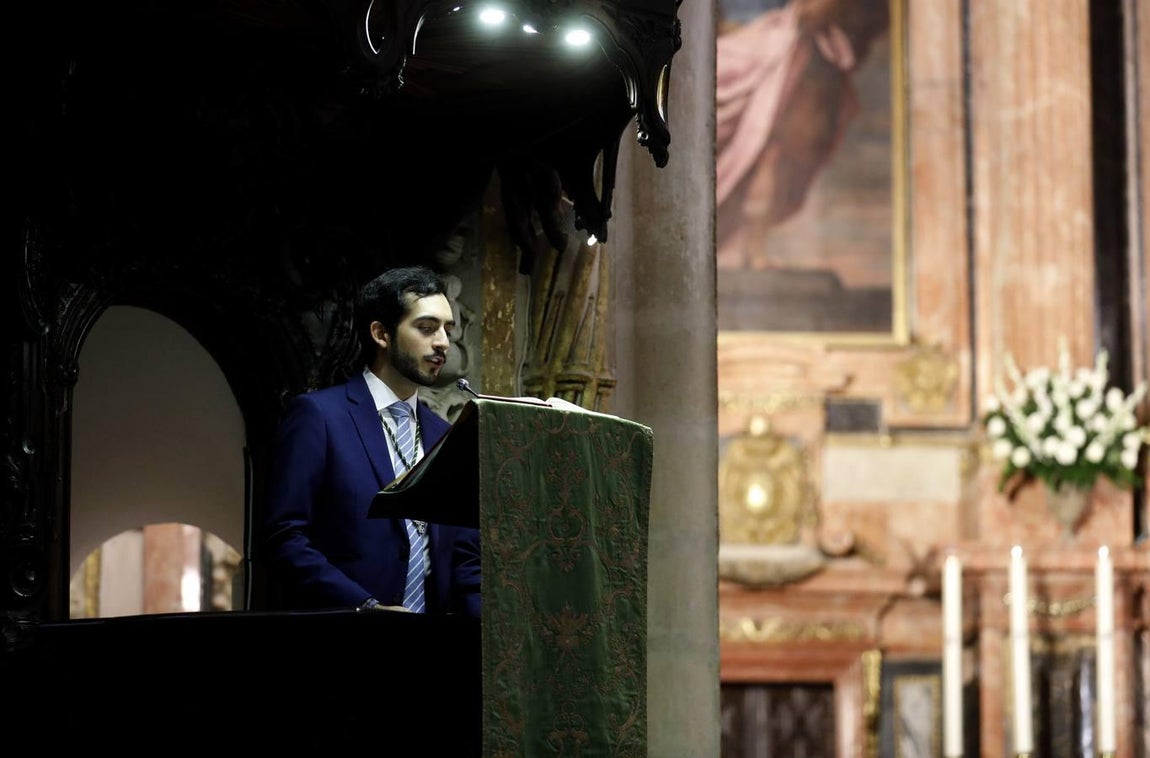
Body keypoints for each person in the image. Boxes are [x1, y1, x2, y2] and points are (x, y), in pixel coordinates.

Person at [262, 265, 481, 616]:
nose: (442, 342)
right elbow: (284, 537)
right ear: (381, 334)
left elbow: (464, 559)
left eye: (448, 329)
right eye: (426, 328)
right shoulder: (319, 416)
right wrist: (365, 607)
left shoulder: (444, 435)